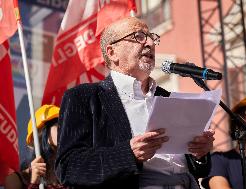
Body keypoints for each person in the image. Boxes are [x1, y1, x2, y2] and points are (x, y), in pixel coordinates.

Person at [55, 17, 215, 189]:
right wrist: (129, 154)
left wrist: (200, 153)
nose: (150, 43)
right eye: (138, 36)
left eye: (151, 37)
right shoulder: (84, 97)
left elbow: (200, 170)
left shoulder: (169, 98)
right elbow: (68, 167)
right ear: (112, 52)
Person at [26, 105, 68, 189]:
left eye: (65, 125)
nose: (64, 129)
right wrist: (34, 183)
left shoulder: (74, 164)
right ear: (42, 132)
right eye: (58, 124)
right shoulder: (23, 177)